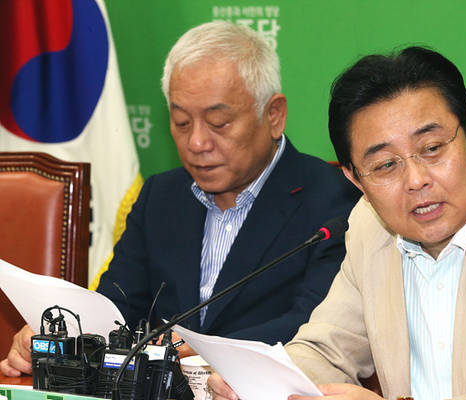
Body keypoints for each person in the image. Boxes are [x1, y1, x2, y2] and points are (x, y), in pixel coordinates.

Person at [209, 46, 466, 400]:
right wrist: (257, 381)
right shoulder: (370, 225)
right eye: (386, 165)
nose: (416, 180)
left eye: (432, 148)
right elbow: (328, 351)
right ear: (356, 180)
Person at [0, 21, 359, 377]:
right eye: (182, 122)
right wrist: (64, 336)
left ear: (273, 115)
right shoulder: (161, 196)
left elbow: (318, 325)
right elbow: (117, 307)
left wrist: (206, 352)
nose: (197, 143)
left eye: (218, 123)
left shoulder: (335, 201)